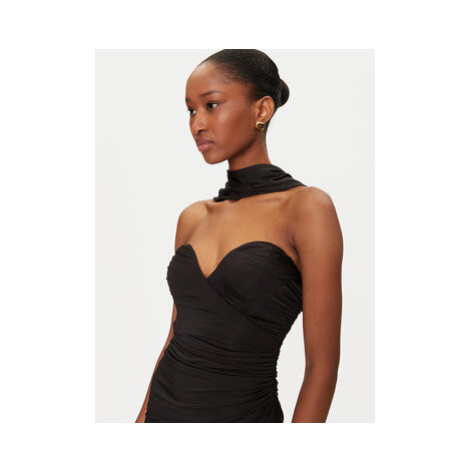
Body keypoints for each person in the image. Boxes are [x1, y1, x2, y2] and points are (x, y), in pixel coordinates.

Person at [135, 49, 343, 423]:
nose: (197, 124)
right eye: (190, 110)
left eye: (211, 105)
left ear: (262, 110)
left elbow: (322, 366)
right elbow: (175, 338)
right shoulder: (193, 217)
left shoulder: (307, 208)